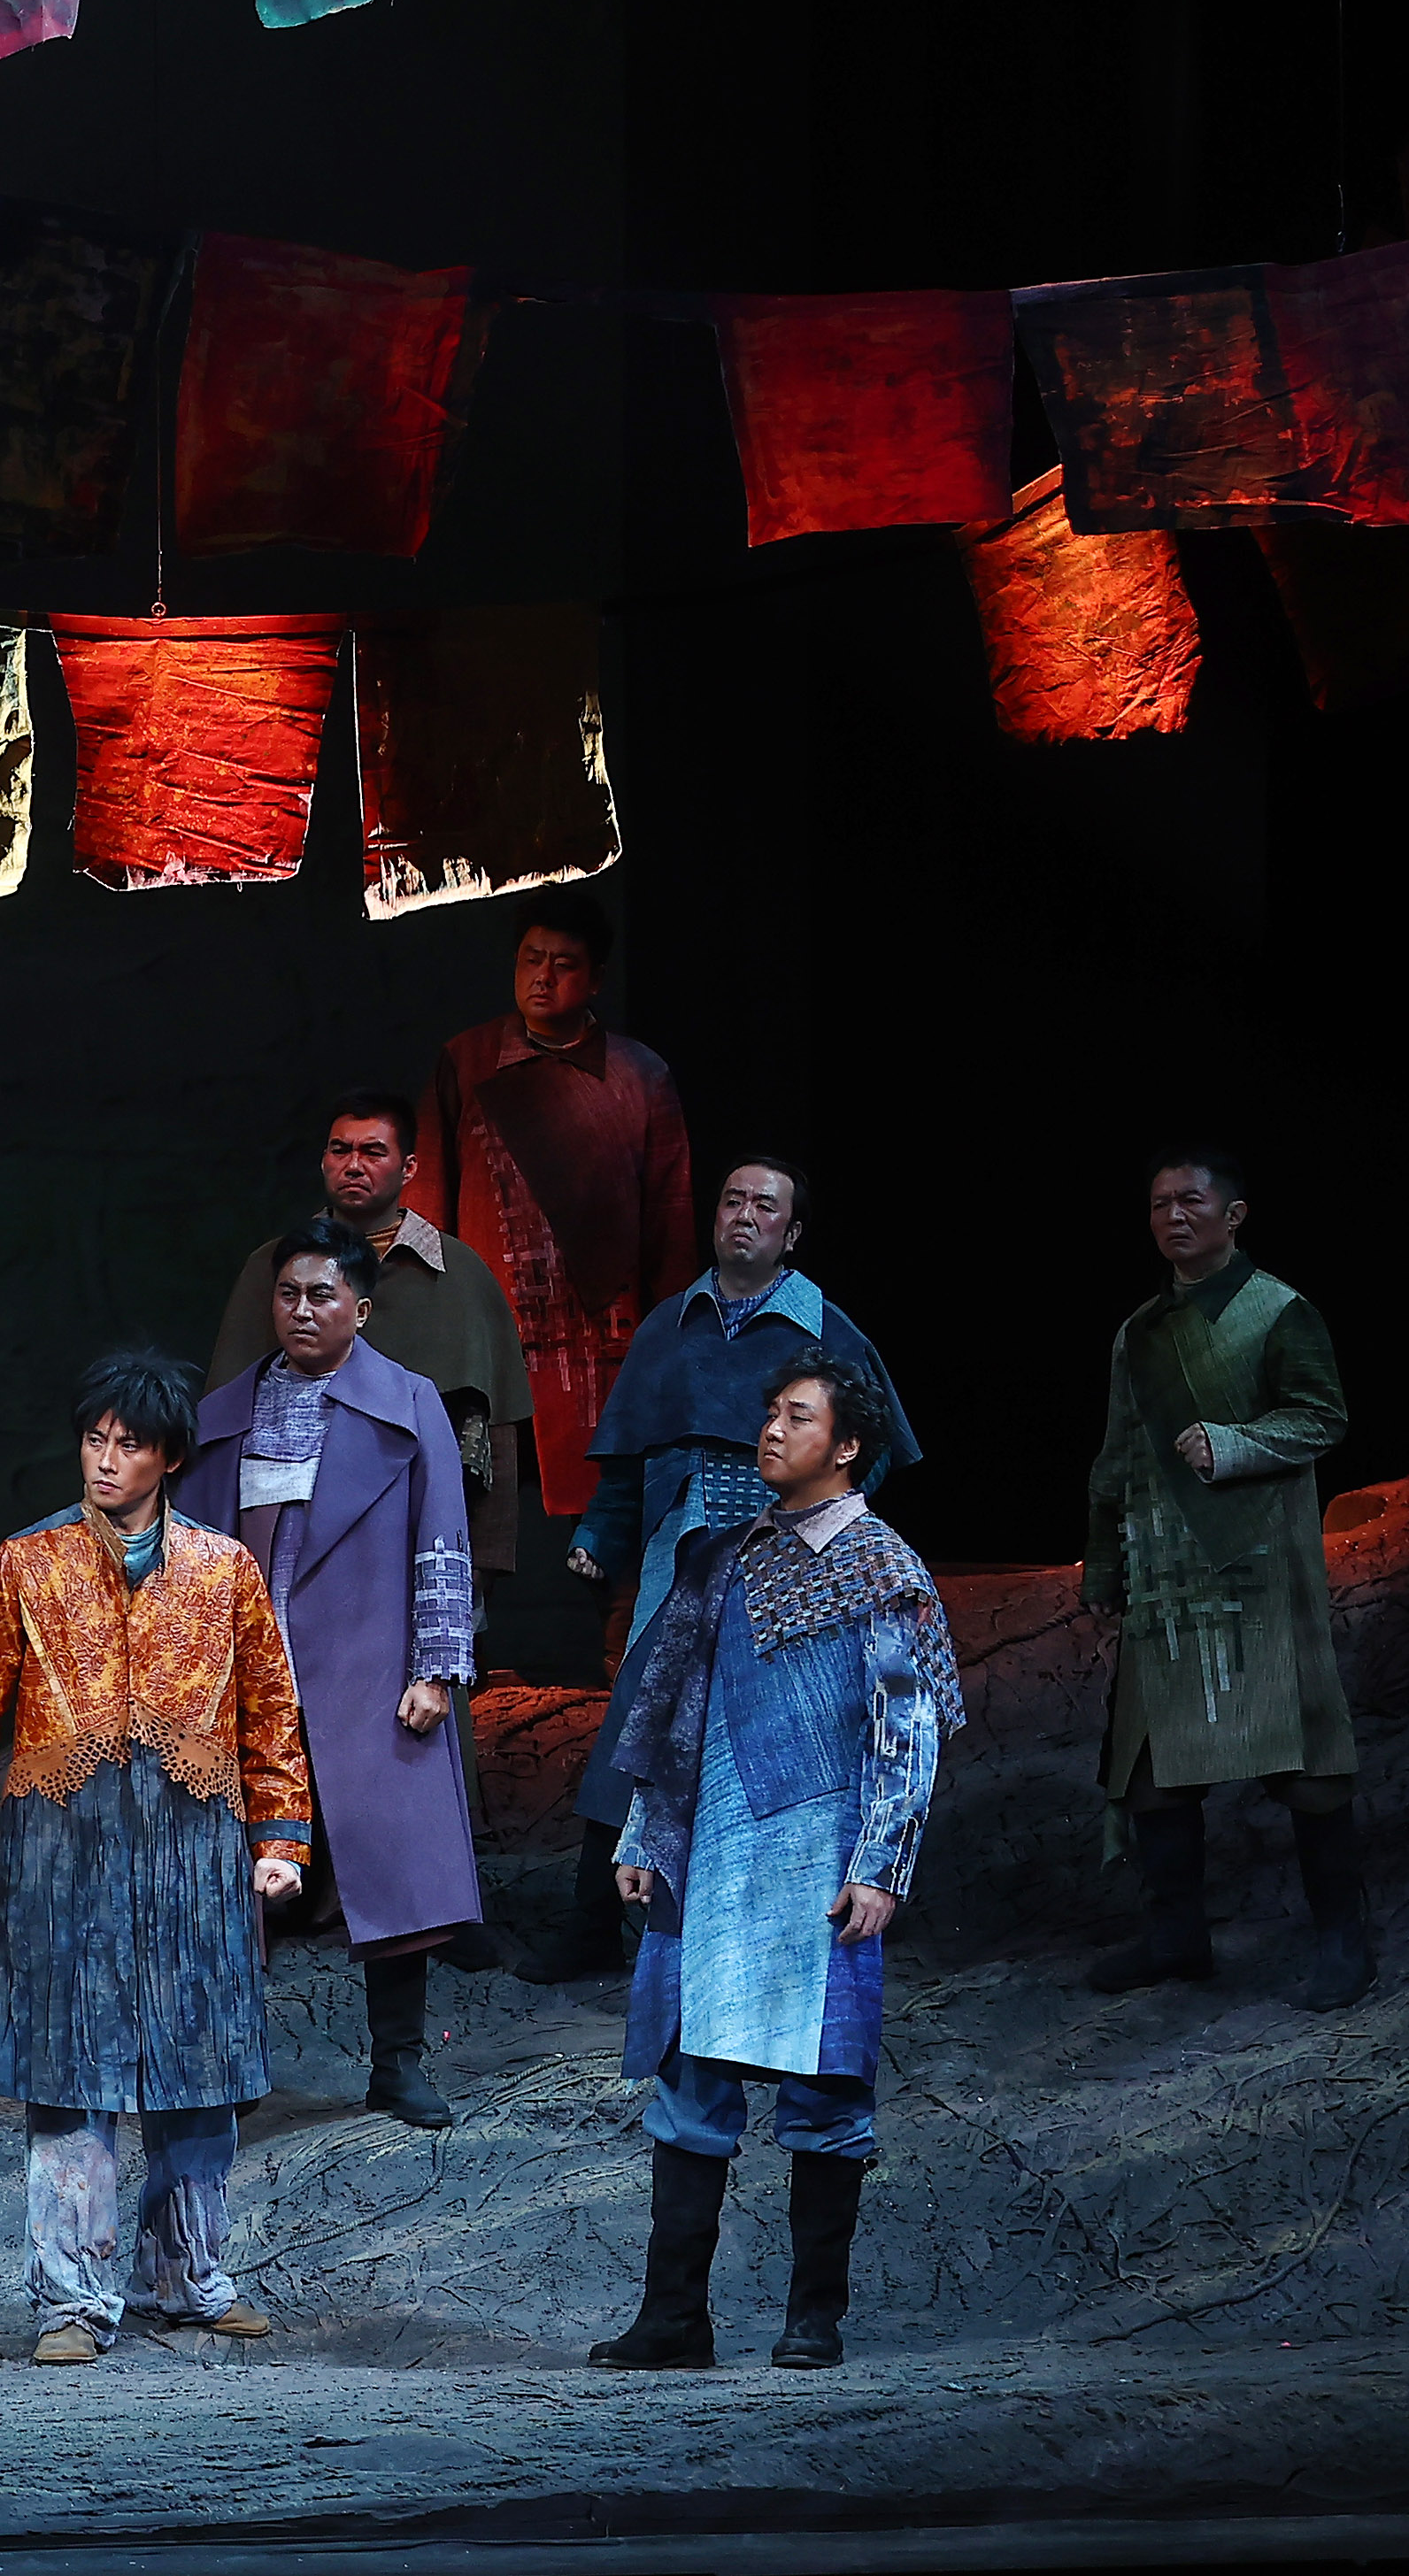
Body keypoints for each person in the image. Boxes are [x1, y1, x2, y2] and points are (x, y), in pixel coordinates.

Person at [0, 1353, 314, 2365]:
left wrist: (279, 1839)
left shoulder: (223, 1570)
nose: (104, 1459)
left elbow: (270, 1716)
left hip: (192, 1850)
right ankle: (70, 2298)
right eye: (93, 1439)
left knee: (197, 2068)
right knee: (68, 2071)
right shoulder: (25, 1563)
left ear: (169, 1457)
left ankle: (187, 2274)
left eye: (127, 1443)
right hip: (62, 1849)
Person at [588, 1357, 958, 2373]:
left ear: (846, 1445)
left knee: (825, 2093)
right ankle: (674, 2320)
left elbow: (907, 1730)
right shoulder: (721, 1556)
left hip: (820, 1861)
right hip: (711, 1859)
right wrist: (642, 1833)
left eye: (797, 1417)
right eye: (769, 1413)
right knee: (688, 2084)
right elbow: (675, 1712)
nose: (771, 1431)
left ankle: (812, 2320)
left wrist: (881, 1863)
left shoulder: (880, 1564)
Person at [527, 1158, 920, 1984]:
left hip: (786, 1549)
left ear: (792, 1232)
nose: (744, 1215)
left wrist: (822, 1521)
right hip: (684, 1545)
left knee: (767, 1727)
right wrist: (602, 1534)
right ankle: (592, 1920)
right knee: (640, 1719)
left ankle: (757, 1930)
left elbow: (872, 1447)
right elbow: (632, 1455)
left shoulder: (825, 1328)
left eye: (764, 1206)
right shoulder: (671, 1324)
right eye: (732, 1200)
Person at [185, 1216, 481, 2129]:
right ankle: (228, 2068)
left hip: (368, 1667)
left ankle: (397, 2065)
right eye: (288, 1294)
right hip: (246, 1673)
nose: (302, 1310)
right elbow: (189, 1553)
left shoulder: (409, 1403)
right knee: (228, 1874)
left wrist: (436, 1668)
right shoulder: (226, 1413)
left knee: (397, 1870)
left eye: (322, 1294)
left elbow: (442, 1538)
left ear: (361, 1306)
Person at [1081, 1146, 1369, 2012]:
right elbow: (1117, 1451)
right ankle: (1178, 1938)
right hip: (1164, 1575)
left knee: (1307, 1760)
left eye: (1191, 1201)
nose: (1173, 1216)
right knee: (1151, 1769)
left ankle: (1344, 1941)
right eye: (1159, 1203)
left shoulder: (1280, 1310)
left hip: (1260, 1564)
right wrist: (1104, 1562)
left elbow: (1322, 1418)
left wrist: (1233, 1444)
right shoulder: (1136, 1330)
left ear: (1233, 1216)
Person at [413, 892, 695, 1578]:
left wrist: (671, 1339)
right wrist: (432, 1318)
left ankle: (618, 1627)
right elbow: (427, 1203)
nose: (542, 977)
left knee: (611, 1531)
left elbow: (671, 1216)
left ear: (595, 978)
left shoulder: (640, 1075)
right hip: (491, 1335)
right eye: (531, 959)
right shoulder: (469, 1060)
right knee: (468, 1524)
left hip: (603, 1343)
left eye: (563, 964)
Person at [213, 1095, 533, 1573]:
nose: (353, 1165)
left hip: (417, 1531)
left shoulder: (460, 1276)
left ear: (408, 1168)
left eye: (373, 1152)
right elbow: (223, 1425)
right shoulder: (272, 1268)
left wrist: (483, 1561)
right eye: (340, 1150)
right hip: (285, 1533)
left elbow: (495, 1432)